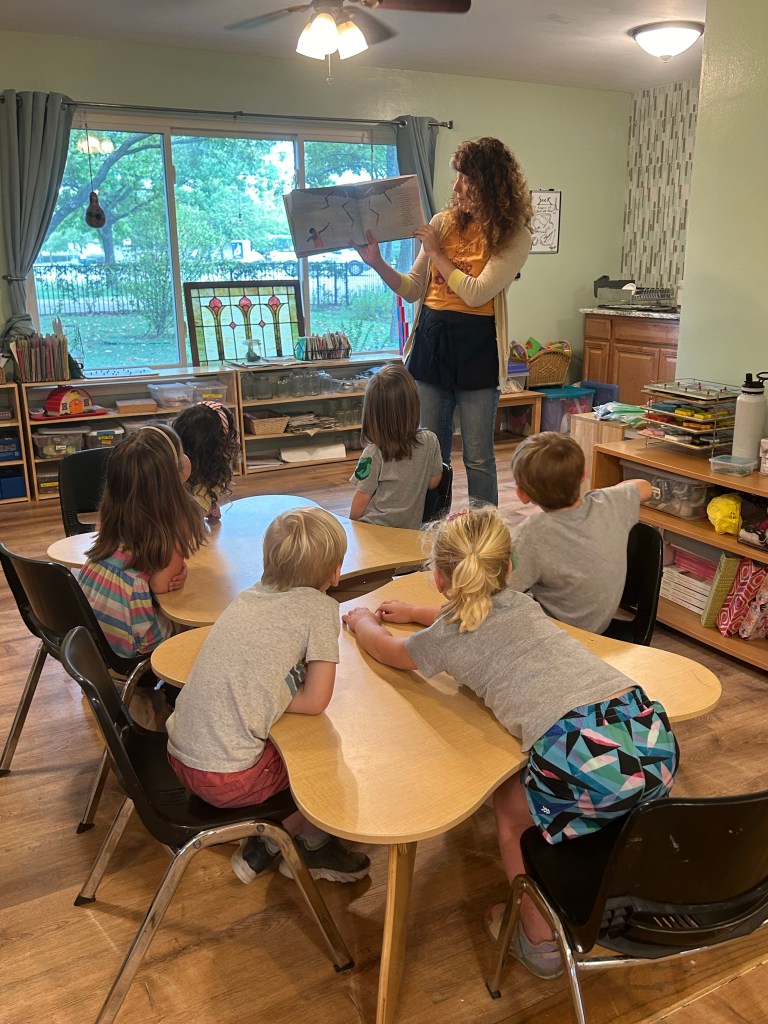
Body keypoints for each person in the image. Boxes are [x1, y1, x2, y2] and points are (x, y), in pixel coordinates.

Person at [341, 505, 678, 979]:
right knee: (613, 799)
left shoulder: (449, 635)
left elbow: (390, 651)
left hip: (580, 750)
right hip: (648, 729)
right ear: (510, 566)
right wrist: (418, 615)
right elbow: (474, 617)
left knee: (509, 807)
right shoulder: (523, 603)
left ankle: (538, 940)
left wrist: (361, 620)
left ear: (439, 578)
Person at [166, 506, 371, 885]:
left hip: (179, 757)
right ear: (335, 571)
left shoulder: (248, 596)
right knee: (322, 761)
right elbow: (316, 701)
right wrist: (264, 698)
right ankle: (289, 844)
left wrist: (258, 695)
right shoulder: (319, 609)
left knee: (293, 742)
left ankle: (285, 842)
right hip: (228, 778)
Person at [355, 136, 533, 506]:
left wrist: (436, 252)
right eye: (458, 178)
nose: (457, 188)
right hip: (432, 341)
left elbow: (476, 293)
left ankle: (483, 530)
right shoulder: (443, 222)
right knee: (430, 453)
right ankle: (431, 527)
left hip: (477, 346)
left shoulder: (514, 236)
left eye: (466, 179)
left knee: (478, 456)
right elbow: (411, 289)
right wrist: (377, 262)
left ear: (491, 184)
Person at [78, 424, 205, 659]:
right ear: (173, 474)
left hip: (91, 635)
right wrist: (182, 570)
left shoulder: (115, 510)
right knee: (201, 626)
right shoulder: (177, 521)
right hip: (133, 647)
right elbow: (161, 585)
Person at [509, 432, 654, 633]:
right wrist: (612, 493)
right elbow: (645, 487)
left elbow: (501, 589)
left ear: (522, 495)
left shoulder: (531, 533)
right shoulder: (611, 503)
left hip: (555, 634)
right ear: (584, 474)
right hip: (599, 628)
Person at [349, 363, 443, 529]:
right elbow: (433, 482)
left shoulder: (373, 452)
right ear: (413, 403)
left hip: (374, 529)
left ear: (372, 412)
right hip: (410, 530)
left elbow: (362, 497)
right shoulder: (430, 440)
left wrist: (351, 527)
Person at [173, 401, 240, 521]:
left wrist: (211, 505)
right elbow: (189, 520)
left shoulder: (173, 464)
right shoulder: (207, 482)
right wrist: (206, 507)